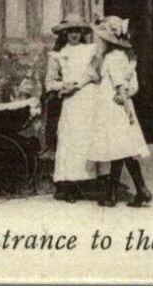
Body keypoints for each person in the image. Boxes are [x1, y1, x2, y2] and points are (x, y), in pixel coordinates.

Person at [86, 16, 152, 208]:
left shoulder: (113, 58)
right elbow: (134, 85)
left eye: (102, 38)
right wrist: (127, 99)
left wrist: (123, 100)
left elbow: (120, 84)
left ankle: (134, 191)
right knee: (122, 150)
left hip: (113, 108)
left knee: (120, 150)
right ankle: (129, 192)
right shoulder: (128, 56)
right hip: (122, 106)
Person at [48, 16, 101, 202]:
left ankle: (88, 183)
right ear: (64, 33)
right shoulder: (58, 54)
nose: (73, 35)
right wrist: (64, 85)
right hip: (71, 101)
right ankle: (69, 185)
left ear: (82, 33)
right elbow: (50, 83)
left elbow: (96, 74)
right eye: (70, 31)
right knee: (70, 140)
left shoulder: (91, 50)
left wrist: (80, 83)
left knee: (87, 139)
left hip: (89, 99)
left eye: (77, 31)